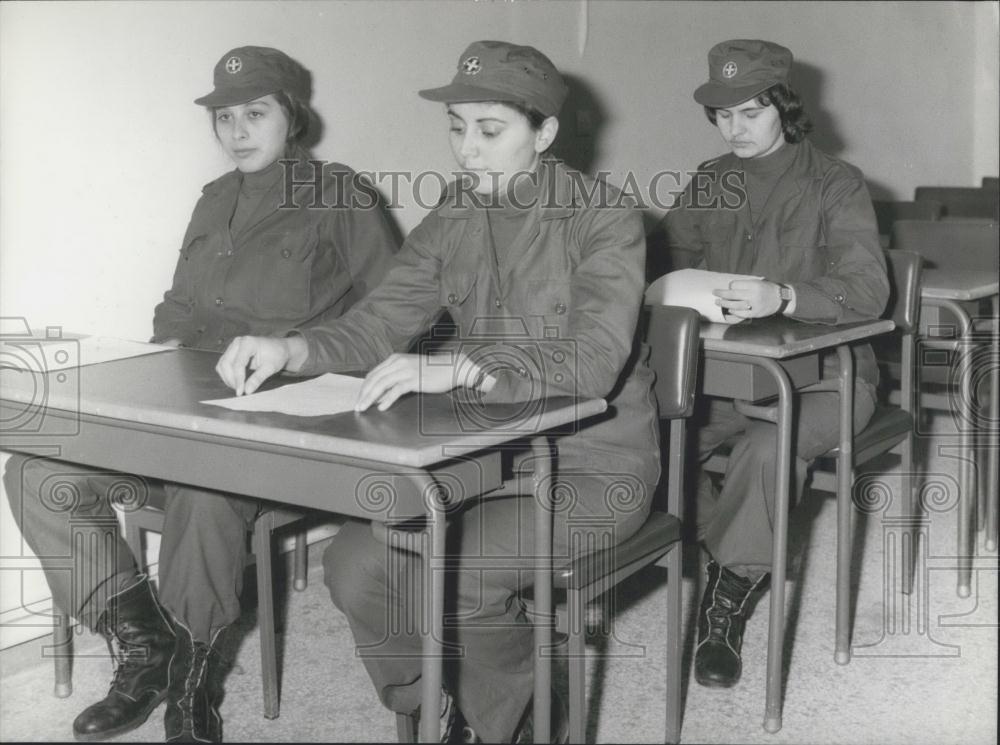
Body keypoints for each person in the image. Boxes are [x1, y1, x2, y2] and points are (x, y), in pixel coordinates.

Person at [215, 40, 660, 743]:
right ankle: (445, 699)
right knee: (355, 563)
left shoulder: (603, 217)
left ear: (543, 134)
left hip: (593, 466)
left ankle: (523, 722)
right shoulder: (456, 213)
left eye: (489, 131)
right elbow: (380, 320)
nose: (467, 151)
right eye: (457, 129)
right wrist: (292, 347)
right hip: (489, 456)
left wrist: (463, 364)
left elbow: (595, 359)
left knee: (462, 577)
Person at [2, 46, 398, 742]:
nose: (237, 129)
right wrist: (156, 363)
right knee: (37, 469)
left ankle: (193, 683)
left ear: (292, 116)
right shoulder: (214, 200)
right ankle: (147, 646)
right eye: (224, 117)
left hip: (285, 422)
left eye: (255, 112)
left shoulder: (341, 195)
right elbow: (179, 311)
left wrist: (302, 355)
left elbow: (392, 318)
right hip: (192, 413)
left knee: (205, 487)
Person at [660, 39, 890, 689]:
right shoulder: (712, 179)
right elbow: (669, 257)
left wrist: (785, 295)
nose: (733, 128)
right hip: (731, 373)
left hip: (831, 376)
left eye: (750, 113)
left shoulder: (836, 183)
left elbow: (870, 290)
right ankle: (736, 542)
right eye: (722, 115)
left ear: (785, 109)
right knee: (647, 444)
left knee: (767, 447)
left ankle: (725, 601)